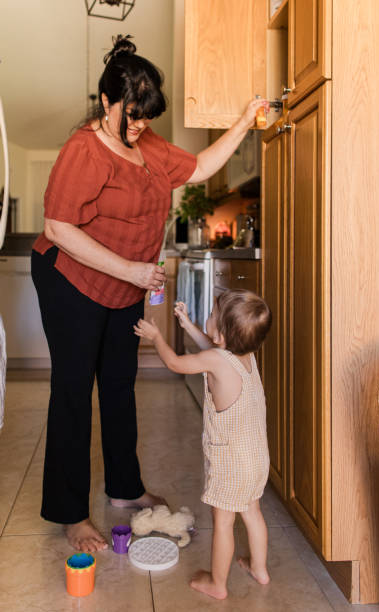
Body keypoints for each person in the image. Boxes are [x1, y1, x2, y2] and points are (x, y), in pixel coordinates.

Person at [31, 34, 270, 554]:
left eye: (146, 116)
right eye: (131, 115)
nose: (139, 126)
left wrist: (245, 120)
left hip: (125, 282)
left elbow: (201, 166)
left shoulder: (148, 143)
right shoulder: (84, 149)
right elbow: (58, 227)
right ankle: (70, 512)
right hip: (71, 278)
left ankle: (125, 488)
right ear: (107, 102)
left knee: (119, 383)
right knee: (74, 390)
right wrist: (132, 271)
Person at [134, 289, 272, 600]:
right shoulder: (245, 356)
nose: (206, 316)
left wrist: (157, 336)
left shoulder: (215, 358)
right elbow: (213, 351)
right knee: (252, 512)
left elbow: (175, 362)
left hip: (231, 462)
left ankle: (217, 583)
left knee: (222, 522)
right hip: (256, 457)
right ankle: (259, 568)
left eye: (210, 315)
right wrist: (188, 324)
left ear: (222, 333)